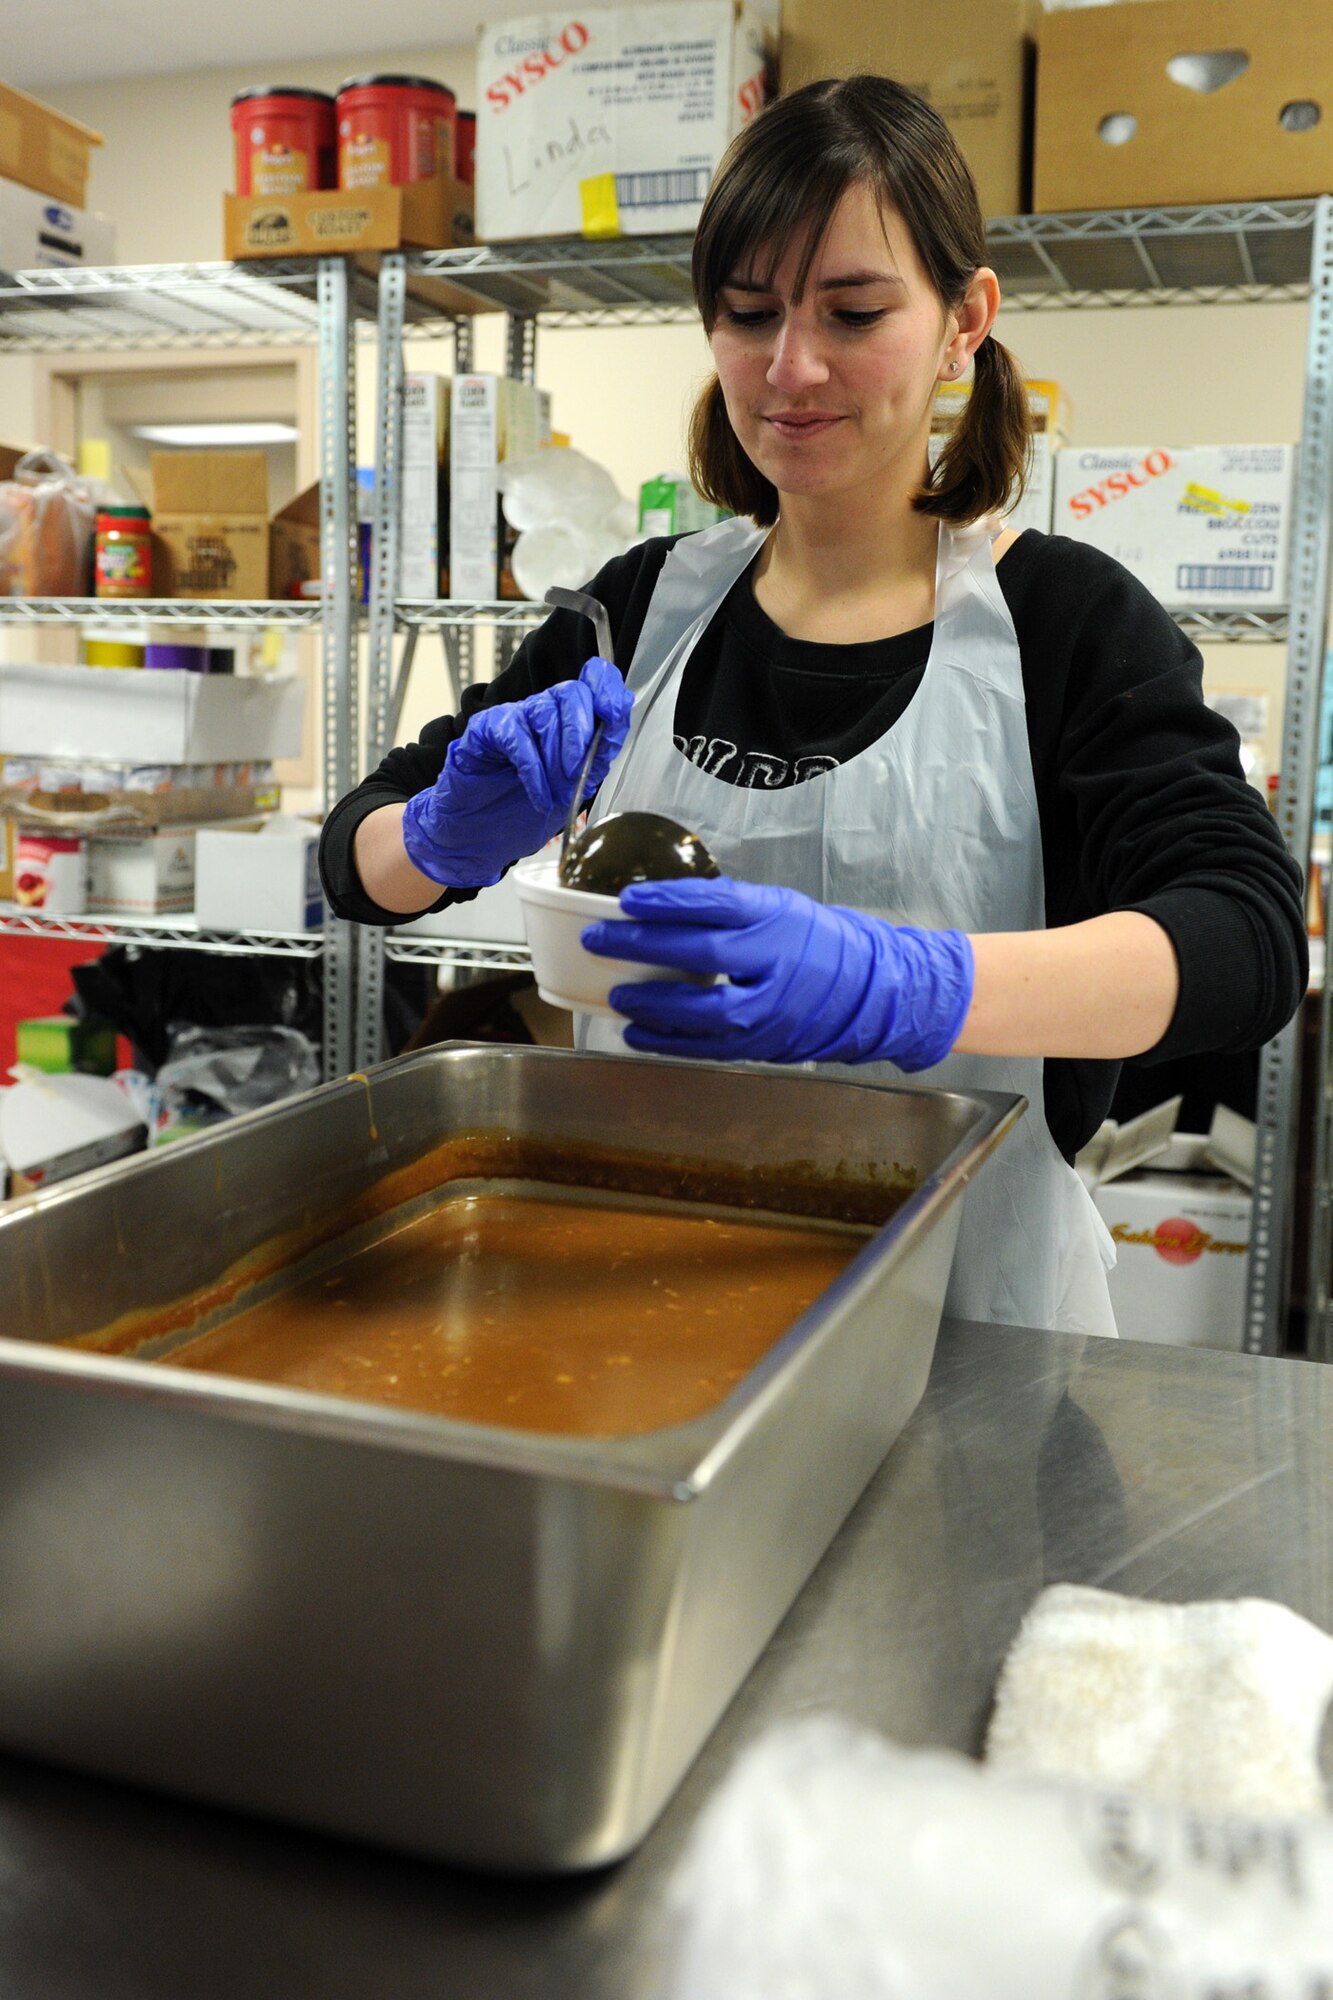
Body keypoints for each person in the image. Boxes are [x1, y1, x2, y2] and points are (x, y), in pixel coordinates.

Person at [320, 74, 1306, 1337]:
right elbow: (357, 867)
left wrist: (908, 985)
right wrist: (437, 838)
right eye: (747, 313)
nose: (790, 367)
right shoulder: (638, 612)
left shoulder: (1063, 624)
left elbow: (1246, 940)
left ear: (964, 322)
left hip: (970, 1320)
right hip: (643, 1292)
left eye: (853, 311)